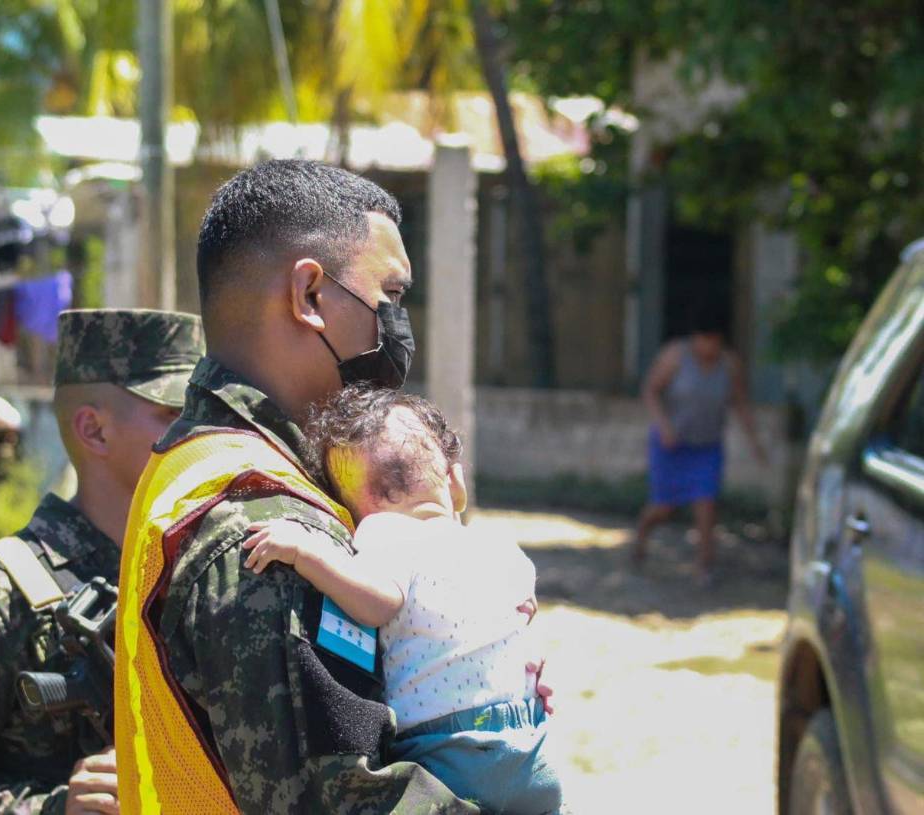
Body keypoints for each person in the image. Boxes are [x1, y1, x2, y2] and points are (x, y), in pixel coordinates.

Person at [114, 159, 487, 813]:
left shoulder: (189, 457)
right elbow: (345, 798)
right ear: (311, 294)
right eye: (390, 296)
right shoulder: (262, 516)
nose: (399, 324)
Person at [0, 308, 204, 815]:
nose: (199, 432)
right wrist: (53, 809)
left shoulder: (197, 571)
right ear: (94, 431)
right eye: (172, 413)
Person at [241, 384, 563, 815]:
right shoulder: (502, 549)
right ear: (456, 481)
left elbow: (378, 603)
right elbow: (525, 614)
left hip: (450, 752)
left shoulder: (385, 533)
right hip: (529, 745)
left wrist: (307, 553)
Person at [633, 312, 768, 585]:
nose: (710, 347)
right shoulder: (674, 356)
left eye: (716, 341)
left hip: (707, 447)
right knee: (663, 508)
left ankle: (704, 566)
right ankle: (641, 538)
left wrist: (755, 442)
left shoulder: (729, 365)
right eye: (706, 340)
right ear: (695, 338)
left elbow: (740, 403)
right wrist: (664, 426)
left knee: (706, 505)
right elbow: (650, 390)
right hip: (672, 446)